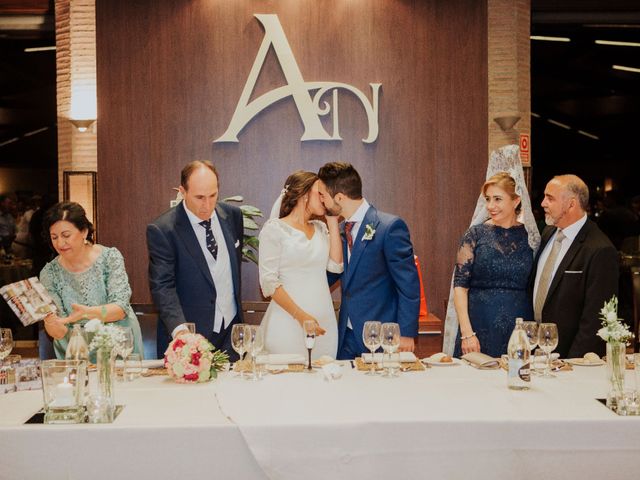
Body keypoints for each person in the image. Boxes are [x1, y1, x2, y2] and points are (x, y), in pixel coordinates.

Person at [443, 145, 540, 356]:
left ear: (516, 201)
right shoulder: (474, 235)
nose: (490, 206)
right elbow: (460, 287)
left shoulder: (531, 237)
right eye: (488, 199)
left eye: (498, 199)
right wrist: (467, 333)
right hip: (478, 326)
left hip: (520, 328)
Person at [317, 162, 420, 359]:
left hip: (380, 335)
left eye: (323, 195)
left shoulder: (389, 227)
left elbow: (408, 285)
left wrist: (406, 333)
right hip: (346, 334)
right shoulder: (340, 231)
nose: (321, 200)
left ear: (339, 197)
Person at [147, 160, 244, 359]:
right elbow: (163, 287)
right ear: (182, 192)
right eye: (199, 197)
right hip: (189, 339)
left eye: (213, 195)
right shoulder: (163, 230)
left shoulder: (233, 216)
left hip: (230, 335)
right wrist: (181, 333)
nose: (207, 205)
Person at [39, 202, 143, 360]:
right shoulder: (49, 273)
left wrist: (87, 313)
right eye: (54, 237)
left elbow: (120, 309)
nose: (60, 243)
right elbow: (59, 332)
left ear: (84, 232)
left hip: (117, 342)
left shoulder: (109, 258)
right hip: (76, 349)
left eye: (66, 235)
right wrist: (50, 321)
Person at [532, 174, 619, 358]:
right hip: (537, 354)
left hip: (569, 361)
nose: (542, 203)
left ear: (571, 204)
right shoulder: (548, 233)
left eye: (550, 198)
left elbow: (596, 320)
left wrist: (573, 363)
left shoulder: (600, 250)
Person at [259, 171, 343, 359]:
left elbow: (336, 266)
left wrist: (332, 221)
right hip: (288, 322)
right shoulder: (275, 230)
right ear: (304, 194)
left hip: (324, 322)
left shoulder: (321, 229)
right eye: (319, 192)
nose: (324, 197)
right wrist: (301, 316)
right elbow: (269, 283)